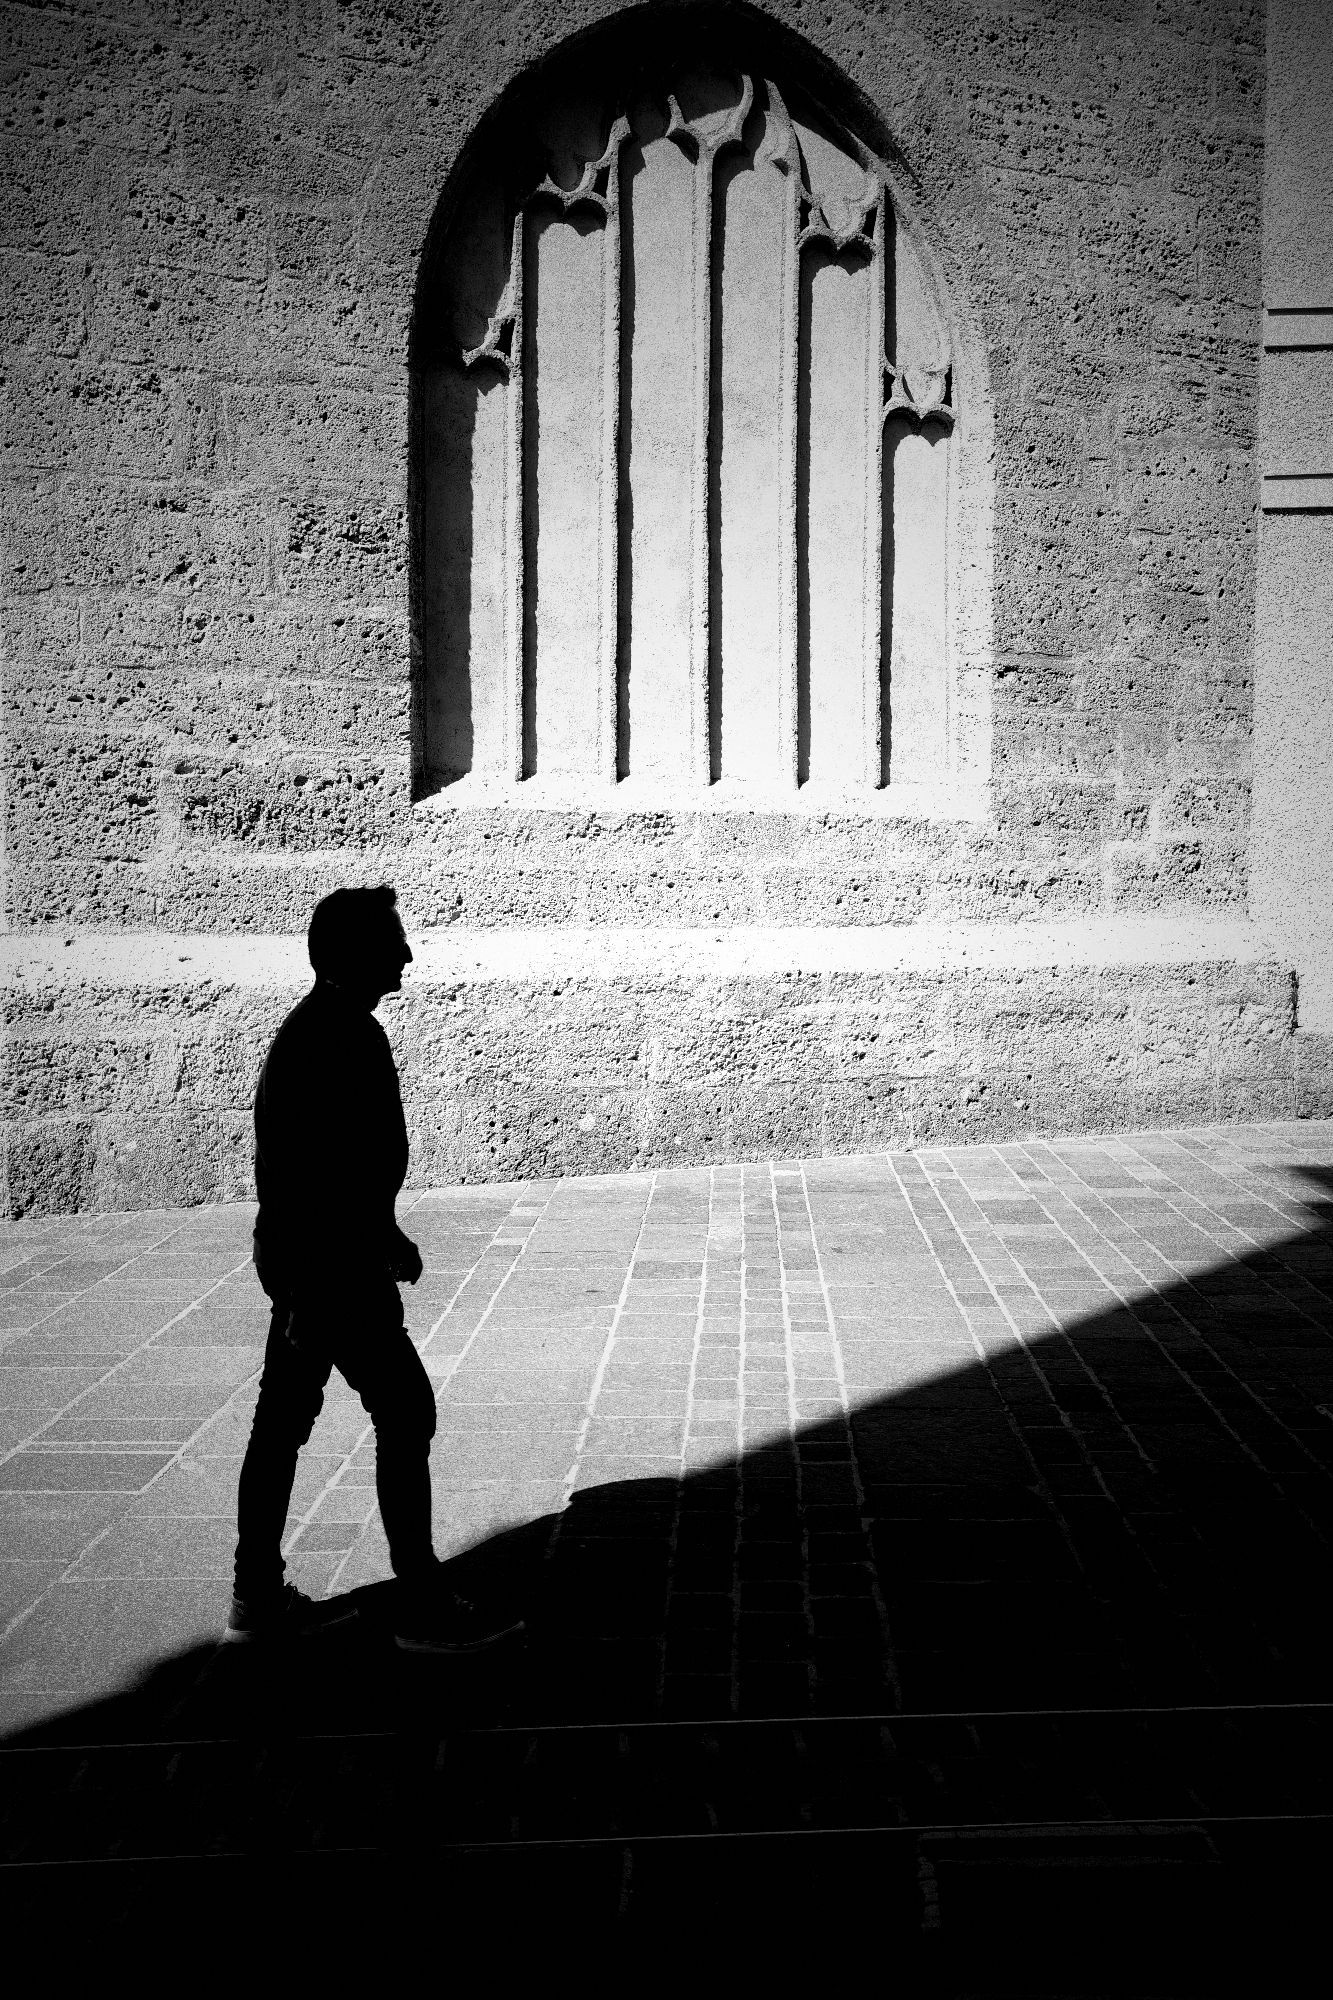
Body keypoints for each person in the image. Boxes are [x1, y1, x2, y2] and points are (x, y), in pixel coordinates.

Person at [224, 884, 521, 1653]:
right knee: (404, 1410)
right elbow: (303, 1175)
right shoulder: (337, 1037)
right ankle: (421, 1599)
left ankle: (257, 1593)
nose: (408, 954)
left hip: (322, 1264)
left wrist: (384, 1231)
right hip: (329, 1274)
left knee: (282, 1425)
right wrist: (309, 1287)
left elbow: (343, 1164)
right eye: (394, 940)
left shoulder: (329, 1028)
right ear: (355, 953)